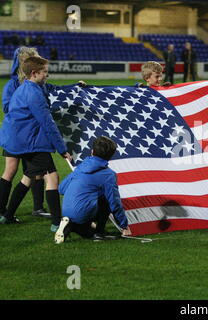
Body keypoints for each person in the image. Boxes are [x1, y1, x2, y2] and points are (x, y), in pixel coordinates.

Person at [0, 56, 72, 231]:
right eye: (45, 72)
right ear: (34, 73)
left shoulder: (27, 87)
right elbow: (47, 123)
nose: (47, 75)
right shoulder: (33, 94)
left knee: (29, 177)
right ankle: (57, 224)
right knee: (52, 177)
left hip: (16, 139)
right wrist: (62, 150)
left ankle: (7, 215)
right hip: (27, 141)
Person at [0, 47, 49, 219]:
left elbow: (53, 92)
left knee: (34, 171)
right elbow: (6, 107)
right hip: (15, 133)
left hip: (31, 133)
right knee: (11, 170)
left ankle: (38, 207)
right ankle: (2, 209)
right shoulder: (13, 84)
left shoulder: (38, 82)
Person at [55, 136, 132, 244]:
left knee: (87, 229)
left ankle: (71, 225)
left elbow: (61, 189)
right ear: (110, 157)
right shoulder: (108, 175)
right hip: (83, 212)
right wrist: (124, 226)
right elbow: (114, 203)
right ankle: (99, 233)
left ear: (92, 151)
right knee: (106, 198)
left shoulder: (81, 167)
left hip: (67, 210)